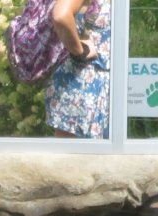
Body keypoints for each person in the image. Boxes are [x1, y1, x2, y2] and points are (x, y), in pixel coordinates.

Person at [45, 0, 110, 139]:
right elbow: (61, 15)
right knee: (74, 156)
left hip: (96, 82)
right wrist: (81, 52)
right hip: (82, 83)